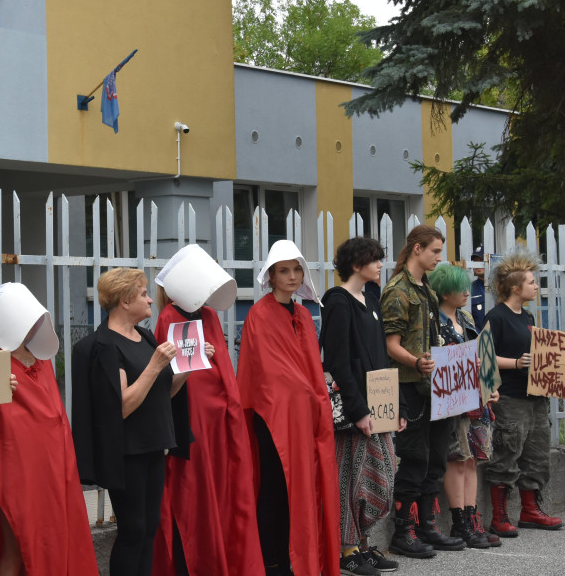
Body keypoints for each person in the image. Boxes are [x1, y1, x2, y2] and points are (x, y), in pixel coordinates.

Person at [71, 268, 195, 576]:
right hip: (127, 452)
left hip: (153, 444)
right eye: (143, 294)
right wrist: (155, 366)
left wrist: (190, 366)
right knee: (133, 530)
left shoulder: (144, 337)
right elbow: (122, 406)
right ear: (125, 300)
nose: (151, 300)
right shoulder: (106, 346)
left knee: (149, 528)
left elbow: (162, 393)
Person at [151, 246, 265, 576]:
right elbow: (171, 380)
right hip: (194, 428)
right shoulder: (169, 317)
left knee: (228, 499)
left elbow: (223, 374)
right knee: (196, 500)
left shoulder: (209, 315)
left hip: (220, 424)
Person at [0, 283, 98, 576]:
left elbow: (55, 420)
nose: (35, 325)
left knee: (51, 542)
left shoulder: (42, 361)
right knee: (15, 549)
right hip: (16, 477)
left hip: (52, 471)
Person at [237, 239, 340, 576]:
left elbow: (310, 367)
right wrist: (310, 395)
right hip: (274, 418)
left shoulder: (304, 316)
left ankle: (297, 559)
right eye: (284, 270)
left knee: (303, 489)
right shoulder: (259, 314)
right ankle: (273, 562)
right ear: (272, 276)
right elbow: (269, 372)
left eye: (297, 269)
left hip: (304, 416)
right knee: (276, 489)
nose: (293, 276)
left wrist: (315, 398)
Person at [319, 237, 401, 575]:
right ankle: (348, 548)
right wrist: (359, 410)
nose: (381, 264)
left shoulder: (371, 298)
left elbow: (378, 356)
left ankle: (362, 543)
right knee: (352, 481)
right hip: (356, 409)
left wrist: (397, 408)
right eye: (374, 259)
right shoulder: (337, 302)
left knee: (381, 480)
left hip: (378, 403)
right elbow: (338, 361)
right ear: (356, 265)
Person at [381, 225, 462, 558]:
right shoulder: (398, 290)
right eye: (434, 252)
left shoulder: (426, 289)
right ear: (416, 249)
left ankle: (427, 525)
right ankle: (405, 530)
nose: (438, 259)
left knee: (437, 458)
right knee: (415, 458)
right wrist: (417, 362)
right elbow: (390, 345)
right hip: (410, 386)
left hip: (436, 387)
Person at [484, 250, 564, 537]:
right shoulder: (497, 317)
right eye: (531, 282)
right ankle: (499, 517)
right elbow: (485, 357)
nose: (535, 286)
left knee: (536, 454)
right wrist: (517, 363)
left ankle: (530, 511)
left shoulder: (527, 315)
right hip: (511, 397)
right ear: (515, 288)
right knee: (506, 453)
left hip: (536, 396)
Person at [429, 263, 500, 549]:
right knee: (457, 459)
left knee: (473, 461)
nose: (466, 293)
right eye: (460, 288)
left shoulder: (467, 317)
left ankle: (472, 519)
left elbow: (484, 352)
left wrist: (491, 386)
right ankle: (460, 522)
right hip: (454, 400)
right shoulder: (434, 322)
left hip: (476, 398)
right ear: (445, 292)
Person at [471, 246, 487, 330]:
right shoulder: (468, 289)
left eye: (481, 260)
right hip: (477, 340)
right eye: (475, 261)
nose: (477, 264)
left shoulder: (501, 287)